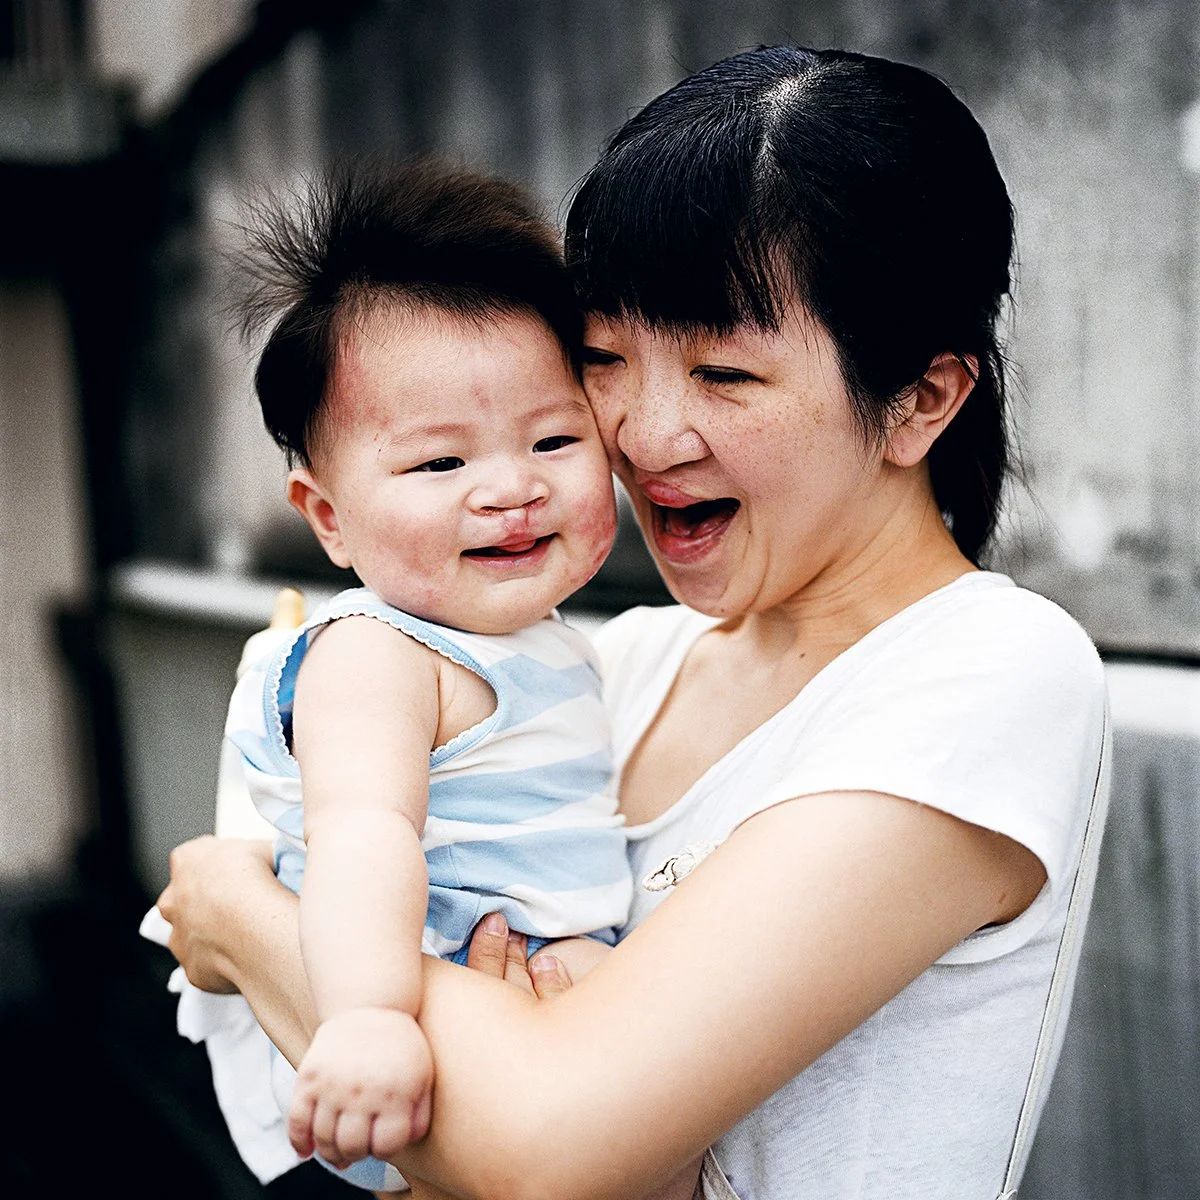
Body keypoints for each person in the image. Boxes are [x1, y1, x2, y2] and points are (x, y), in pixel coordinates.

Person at [156, 44, 1110, 1200]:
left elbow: (551, 1146)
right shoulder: (614, 665)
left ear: (919, 399)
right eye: (607, 359)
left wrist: (241, 920)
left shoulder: (988, 674)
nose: (648, 437)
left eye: (725, 375)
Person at [152, 159, 634, 1194]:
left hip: (539, 1035)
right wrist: (369, 1019)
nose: (511, 488)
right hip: (392, 1047)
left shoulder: (559, 644)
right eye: (438, 465)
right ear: (326, 515)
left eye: (555, 438)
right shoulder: (378, 654)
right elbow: (363, 838)